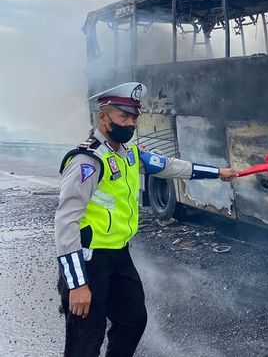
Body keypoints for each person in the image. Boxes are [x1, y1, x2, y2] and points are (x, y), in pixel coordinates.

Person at [54, 82, 237, 357]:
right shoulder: (88, 161)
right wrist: (77, 283)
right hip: (89, 260)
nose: (131, 124)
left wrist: (216, 172)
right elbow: (65, 222)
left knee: (133, 320)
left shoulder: (128, 155)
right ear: (103, 117)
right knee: (85, 341)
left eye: (134, 117)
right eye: (123, 117)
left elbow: (170, 166)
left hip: (118, 254)